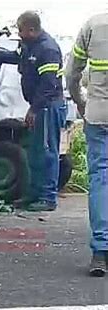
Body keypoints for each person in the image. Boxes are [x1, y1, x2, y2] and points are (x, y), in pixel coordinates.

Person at [0, 11, 66, 212]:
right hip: (39, 106)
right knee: (35, 152)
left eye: (21, 30)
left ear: (32, 29)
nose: (19, 34)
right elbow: (16, 57)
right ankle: (34, 195)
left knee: (46, 152)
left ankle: (47, 198)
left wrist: (34, 110)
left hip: (48, 106)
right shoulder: (30, 45)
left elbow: (49, 84)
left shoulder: (48, 49)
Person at [65, 13, 108, 277]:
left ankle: (101, 253)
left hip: (99, 115)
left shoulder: (94, 24)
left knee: (101, 178)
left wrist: (80, 101)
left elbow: (72, 72)